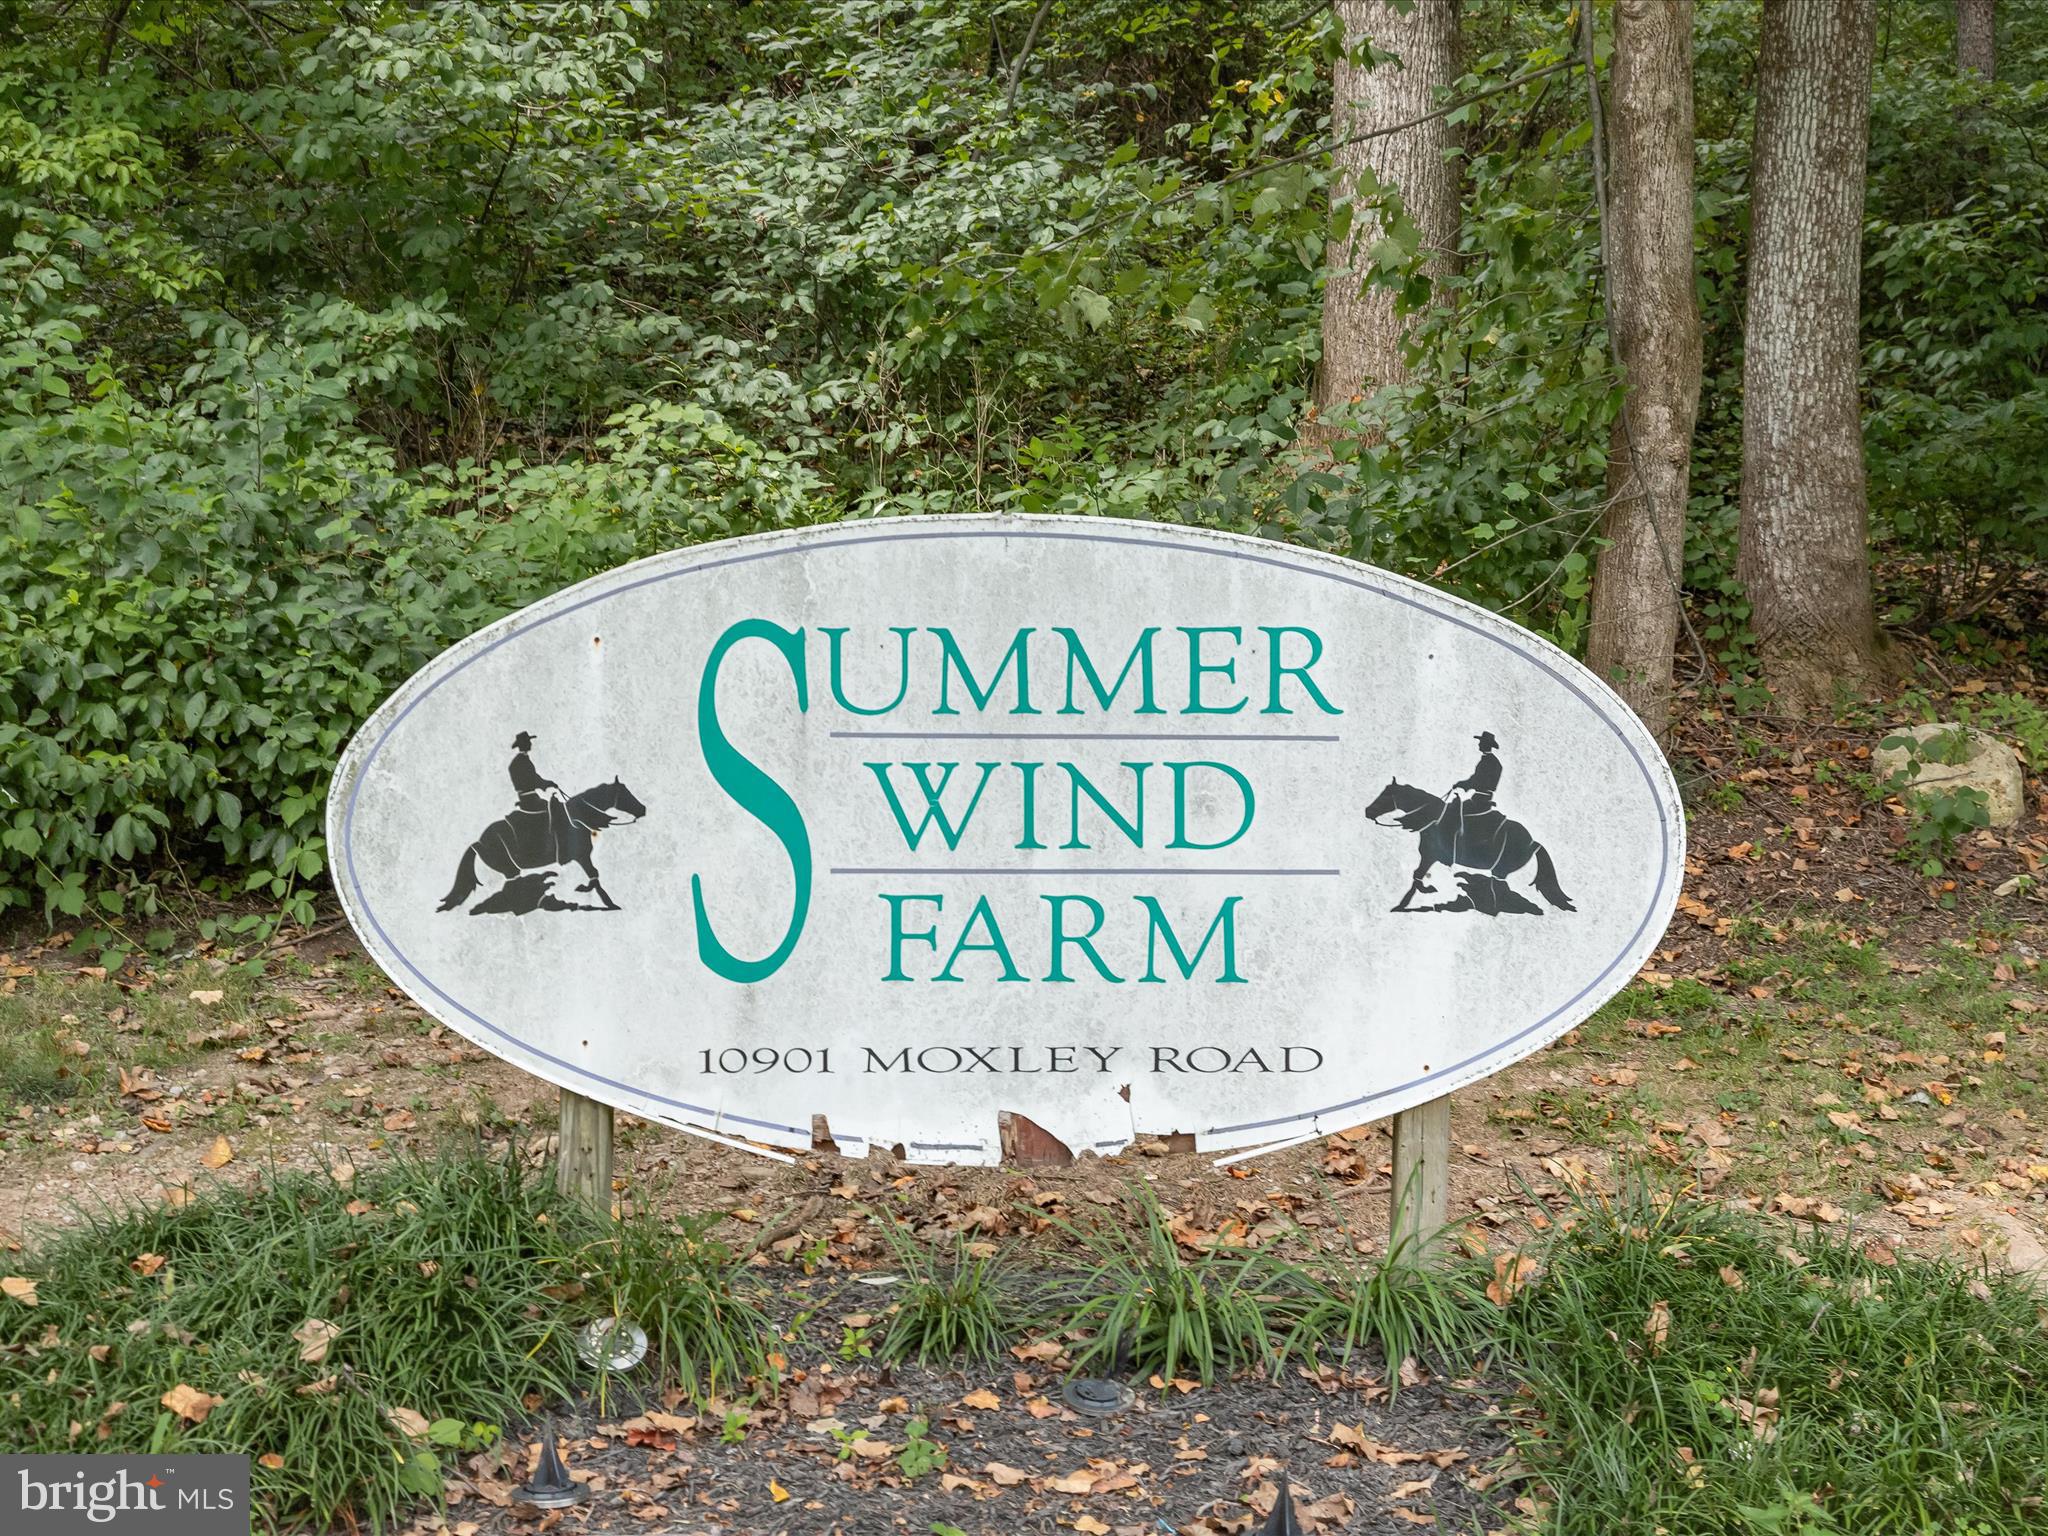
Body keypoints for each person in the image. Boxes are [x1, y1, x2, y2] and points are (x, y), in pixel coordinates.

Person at [1450, 731, 1501, 814]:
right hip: (1481, 797)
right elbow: (1477, 778)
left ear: (1486, 744)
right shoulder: (1490, 760)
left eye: (1481, 742)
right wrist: (1462, 784)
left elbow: (1478, 780)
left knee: (1456, 810)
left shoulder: (1490, 762)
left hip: (1481, 799)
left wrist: (1461, 784)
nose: (1479, 744)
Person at [509, 731, 559, 812]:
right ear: (524, 744)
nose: (531, 744)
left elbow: (534, 777)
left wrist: (548, 783)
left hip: (530, 796)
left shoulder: (522, 759)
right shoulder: (520, 762)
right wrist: (547, 784)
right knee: (552, 809)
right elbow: (533, 779)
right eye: (528, 742)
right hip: (528, 798)